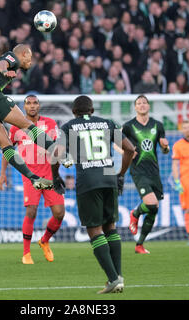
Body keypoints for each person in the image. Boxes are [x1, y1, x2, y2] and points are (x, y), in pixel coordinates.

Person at [51, 95, 135, 294]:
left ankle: (113, 278)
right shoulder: (107, 123)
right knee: (110, 227)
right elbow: (130, 149)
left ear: (74, 112)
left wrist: (55, 176)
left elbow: (56, 154)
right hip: (108, 176)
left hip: (88, 179)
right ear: (92, 110)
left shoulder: (69, 127)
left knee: (94, 230)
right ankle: (118, 278)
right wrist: (121, 175)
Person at [0, 44, 60, 191]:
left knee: (6, 144)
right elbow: (4, 64)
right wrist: (5, 71)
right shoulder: (12, 57)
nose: (31, 61)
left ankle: (34, 179)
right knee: (26, 124)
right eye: (29, 57)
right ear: (23, 53)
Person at [0, 95, 65, 264]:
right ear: (24, 107)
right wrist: (3, 173)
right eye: (28, 103)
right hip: (30, 175)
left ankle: (44, 241)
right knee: (31, 211)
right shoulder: (16, 127)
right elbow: (7, 149)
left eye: (35, 103)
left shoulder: (50, 123)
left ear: (39, 105)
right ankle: (26, 253)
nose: (32, 106)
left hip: (50, 174)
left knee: (59, 213)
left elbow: (57, 147)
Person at [124, 95, 169, 254]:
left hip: (154, 172)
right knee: (150, 204)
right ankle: (135, 213)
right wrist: (128, 152)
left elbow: (164, 150)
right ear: (135, 107)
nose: (142, 105)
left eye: (144, 103)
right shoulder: (128, 126)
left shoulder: (158, 125)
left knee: (154, 208)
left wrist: (165, 147)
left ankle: (139, 245)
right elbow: (116, 143)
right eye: (139, 103)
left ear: (148, 106)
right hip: (138, 171)